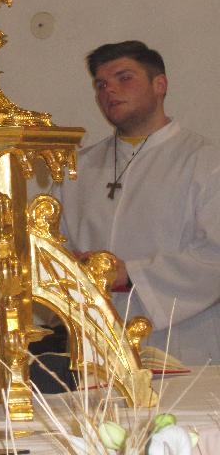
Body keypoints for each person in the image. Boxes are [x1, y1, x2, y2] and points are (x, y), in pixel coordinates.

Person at [54, 40, 220, 364]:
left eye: (124, 78)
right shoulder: (78, 168)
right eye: (101, 85)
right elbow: (56, 244)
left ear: (160, 85)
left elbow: (215, 256)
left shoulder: (204, 162)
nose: (109, 91)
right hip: (96, 341)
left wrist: (130, 274)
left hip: (183, 341)